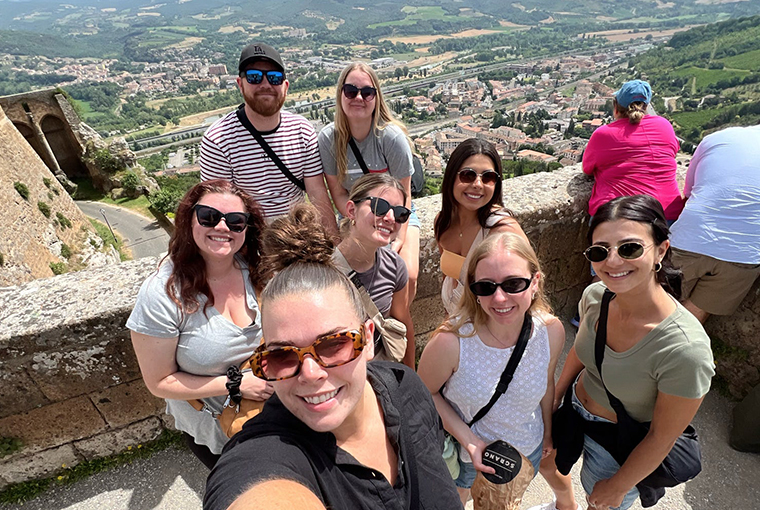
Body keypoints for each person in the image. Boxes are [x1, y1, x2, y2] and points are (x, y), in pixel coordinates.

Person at [203, 205, 462, 510]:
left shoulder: (407, 388)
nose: (310, 373)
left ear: (367, 338)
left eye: (333, 344)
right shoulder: (263, 453)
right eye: (282, 356)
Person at [533, 195, 714, 510]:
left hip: (620, 441)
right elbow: (584, 349)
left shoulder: (685, 350)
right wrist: (555, 398)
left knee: (600, 500)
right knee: (545, 461)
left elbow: (661, 437)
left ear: (661, 250)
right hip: (576, 410)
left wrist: (619, 486)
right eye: (600, 251)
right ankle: (564, 504)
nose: (612, 261)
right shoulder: (596, 296)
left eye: (629, 248)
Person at [127, 179, 273, 469]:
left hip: (273, 411)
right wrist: (235, 384)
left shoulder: (256, 270)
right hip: (219, 430)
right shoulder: (163, 294)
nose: (222, 227)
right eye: (208, 217)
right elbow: (159, 382)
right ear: (189, 220)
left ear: (247, 228)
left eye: (235, 221)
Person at [418, 232, 564, 507]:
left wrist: (546, 432)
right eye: (486, 287)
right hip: (466, 456)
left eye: (513, 284)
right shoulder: (451, 343)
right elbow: (425, 393)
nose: (499, 298)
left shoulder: (550, 332)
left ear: (535, 282)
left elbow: (546, 383)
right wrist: (470, 441)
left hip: (525, 449)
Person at [317, 62, 420, 342]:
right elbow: (338, 192)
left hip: (397, 214)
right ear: (340, 95)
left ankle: (393, 330)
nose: (358, 98)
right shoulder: (329, 139)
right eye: (350, 91)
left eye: (366, 92)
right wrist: (356, 218)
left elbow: (405, 195)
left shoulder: (390, 138)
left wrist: (394, 237)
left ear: (377, 98)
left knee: (407, 274)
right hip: (354, 213)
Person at [200, 42, 337, 237]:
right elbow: (221, 207)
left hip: (296, 235)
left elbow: (317, 194)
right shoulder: (218, 140)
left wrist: (333, 244)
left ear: (285, 87)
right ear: (240, 84)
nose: (265, 84)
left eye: (274, 78)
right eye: (254, 77)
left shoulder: (302, 130)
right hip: (248, 239)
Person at [669, 124, 760, 324]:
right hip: (743, 255)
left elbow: (689, 191)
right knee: (691, 319)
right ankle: (668, 349)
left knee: (654, 302)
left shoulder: (719, 137)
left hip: (691, 236)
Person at [435, 138, 528, 315]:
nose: (477, 185)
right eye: (468, 175)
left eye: (488, 177)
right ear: (451, 177)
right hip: (455, 318)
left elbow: (527, 290)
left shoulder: (503, 230)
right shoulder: (443, 222)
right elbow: (449, 278)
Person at [333, 173, 415, 368]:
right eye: (380, 207)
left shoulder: (394, 266)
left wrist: (411, 376)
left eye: (400, 213)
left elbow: (403, 321)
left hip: (377, 367)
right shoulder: (324, 271)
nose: (390, 218)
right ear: (352, 211)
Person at [582, 79, 684, 223]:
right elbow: (671, 152)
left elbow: (587, 169)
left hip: (618, 216)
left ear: (616, 107)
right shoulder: (664, 125)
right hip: (667, 215)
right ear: (646, 106)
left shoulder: (603, 134)